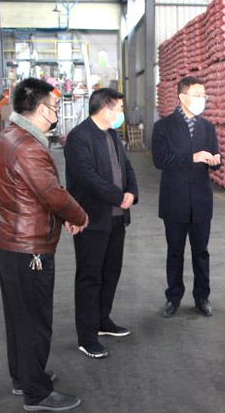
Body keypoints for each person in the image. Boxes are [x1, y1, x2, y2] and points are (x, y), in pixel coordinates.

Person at [0, 78, 88, 411]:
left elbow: (35, 194)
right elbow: (51, 194)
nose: (56, 112)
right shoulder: (28, 147)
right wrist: (78, 215)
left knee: (19, 317)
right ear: (41, 109)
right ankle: (36, 392)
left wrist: (62, 217)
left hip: (11, 243)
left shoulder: (10, 135)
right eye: (54, 106)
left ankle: (23, 377)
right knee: (35, 320)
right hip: (29, 248)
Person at [64, 88, 138, 359]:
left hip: (116, 218)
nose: (122, 113)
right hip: (91, 220)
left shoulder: (112, 135)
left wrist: (131, 193)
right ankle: (87, 336)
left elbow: (127, 168)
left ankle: (102, 320)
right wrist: (118, 196)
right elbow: (86, 177)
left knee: (110, 272)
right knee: (90, 277)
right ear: (106, 110)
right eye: (119, 109)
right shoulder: (79, 137)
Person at [152, 76, 221, 318]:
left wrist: (215, 161)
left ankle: (202, 297)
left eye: (203, 95)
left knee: (201, 252)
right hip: (175, 200)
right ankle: (173, 297)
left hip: (201, 200)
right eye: (197, 95)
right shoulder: (163, 127)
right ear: (182, 97)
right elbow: (160, 160)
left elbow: (215, 158)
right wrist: (191, 158)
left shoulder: (208, 127)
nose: (202, 99)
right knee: (175, 252)